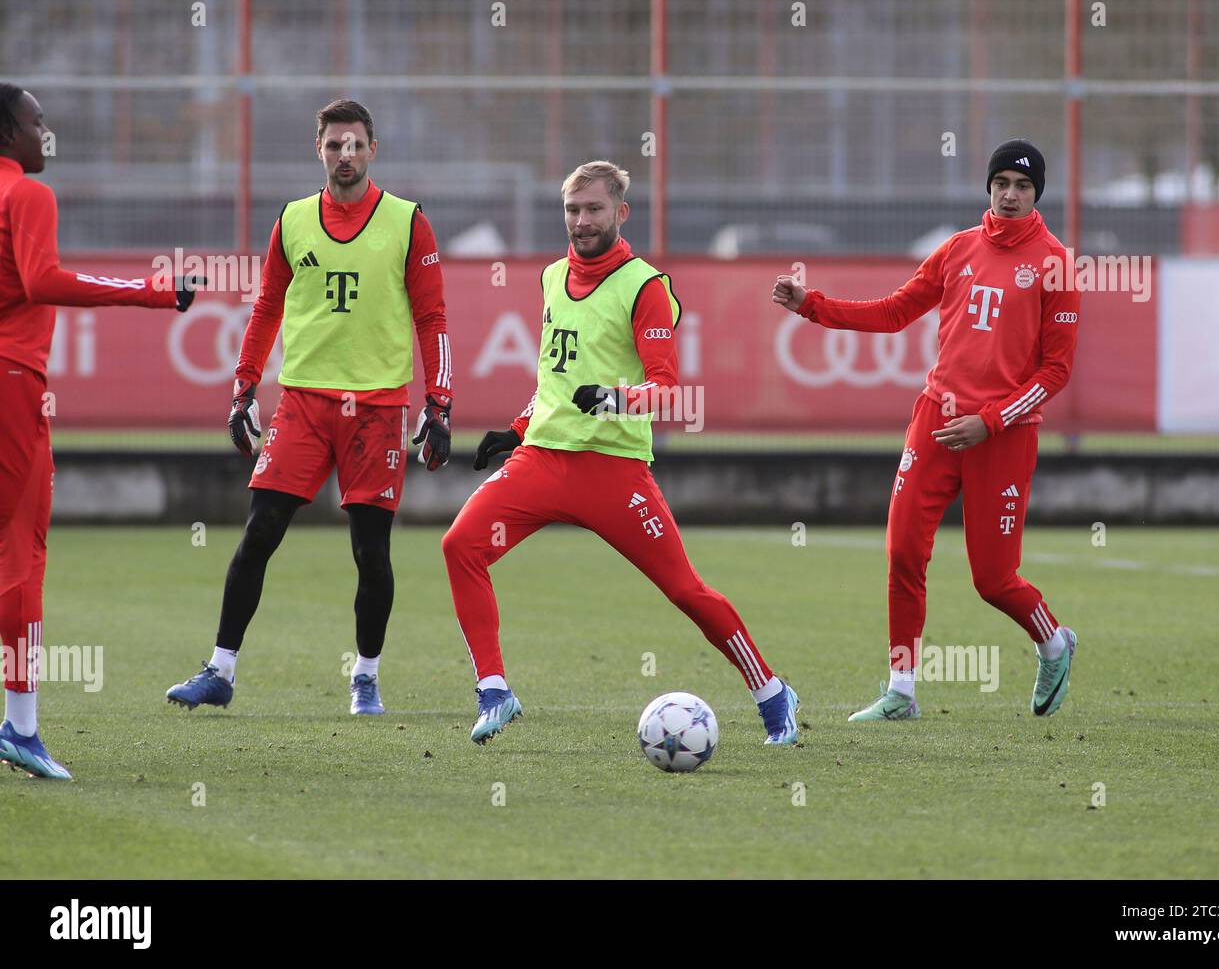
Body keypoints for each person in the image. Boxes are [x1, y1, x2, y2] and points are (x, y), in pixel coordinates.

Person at [443, 160, 799, 745]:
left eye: (594, 210)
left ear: (620, 213)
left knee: (686, 591)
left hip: (614, 473)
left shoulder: (646, 286)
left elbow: (666, 390)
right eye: (572, 210)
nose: (581, 222)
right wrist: (518, 427)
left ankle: (771, 690)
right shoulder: (552, 276)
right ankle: (494, 692)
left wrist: (612, 399)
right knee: (461, 545)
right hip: (542, 460)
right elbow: (558, 379)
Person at [773, 139, 1081, 720]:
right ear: (987, 188)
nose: (1010, 195)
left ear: (1037, 193)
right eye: (1001, 184)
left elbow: (1055, 372)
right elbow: (893, 312)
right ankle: (901, 691)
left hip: (1002, 438)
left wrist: (990, 423)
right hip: (935, 424)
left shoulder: (1056, 263)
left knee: (993, 580)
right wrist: (810, 305)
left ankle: (1054, 642)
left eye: (1022, 186)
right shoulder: (958, 249)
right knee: (903, 553)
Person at [165, 99, 452, 717]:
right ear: (317, 149)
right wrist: (242, 388)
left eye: (355, 145)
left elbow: (432, 318)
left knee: (370, 551)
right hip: (303, 402)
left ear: (373, 149)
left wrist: (440, 403)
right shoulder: (292, 220)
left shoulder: (408, 222)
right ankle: (220, 670)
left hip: (377, 410)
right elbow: (266, 307)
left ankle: (366, 678)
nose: (344, 156)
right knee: (259, 532)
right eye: (333, 146)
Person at [0, 85, 199, 778]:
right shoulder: (25, 194)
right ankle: (20, 726)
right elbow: (43, 278)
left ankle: (21, 724)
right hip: (12, 384)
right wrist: (151, 292)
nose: (45, 132)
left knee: (18, 553)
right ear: (8, 131)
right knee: (20, 553)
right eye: (35, 121)